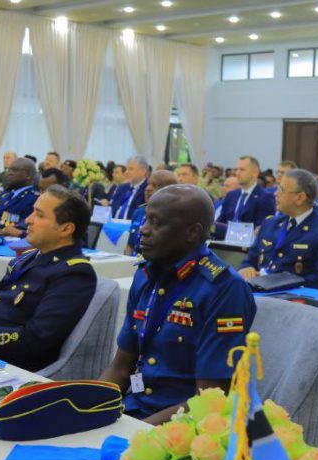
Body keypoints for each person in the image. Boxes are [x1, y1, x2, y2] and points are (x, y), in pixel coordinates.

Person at [100, 184, 256, 424]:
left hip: (185, 425)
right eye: (145, 220)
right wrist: (87, 409)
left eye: (156, 223)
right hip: (135, 408)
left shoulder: (224, 289)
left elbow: (210, 399)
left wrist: (137, 432)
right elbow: (120, 368)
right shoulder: (146, 275)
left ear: (192, 233)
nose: (144, 230)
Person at [0, 186, 97, 370]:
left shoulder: (74, 274)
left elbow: (35, 341)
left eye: (39, 215)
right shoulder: (29, 257)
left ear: (65, 229)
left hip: (5, 369)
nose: (28, 220)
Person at [238, 169, 318, 289]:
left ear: (300, 198)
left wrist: (272, 282)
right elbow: (250, 259)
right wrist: (246, 268)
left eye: (281, 190)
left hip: (292, 296)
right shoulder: (270, 223)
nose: (275, 193)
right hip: (255, 290)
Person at [0, 157, 39, 236]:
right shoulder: (5, 195)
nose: (9, 173)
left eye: (14, 170)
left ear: (28, 175)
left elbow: (26, 230)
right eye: (9, 170)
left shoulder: (33, 200)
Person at [127, 170, 177, 256]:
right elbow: (130, 245)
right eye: (148, 184)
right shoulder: (139, 212)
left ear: (170, 190)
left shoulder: (173, 217)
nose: (148, 189)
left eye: (156, 185)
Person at [216, 156, 274, 228]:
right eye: (237, 169)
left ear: (255, 172)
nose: (237, 173)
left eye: (242, 170)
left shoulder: (265, 198)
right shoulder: (231, 195)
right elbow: (221, 221)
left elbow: (262, 227)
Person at [110, 156, 150, 220]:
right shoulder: (122, 188)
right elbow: (112, 209)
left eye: (131, 169)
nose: (126, 172)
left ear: (142, 171)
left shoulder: (147, 189)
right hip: (113, 223)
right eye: (126, 169)